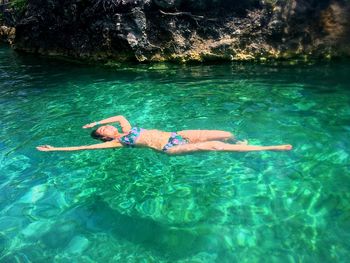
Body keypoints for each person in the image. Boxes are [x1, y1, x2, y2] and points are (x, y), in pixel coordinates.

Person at [36, 115, 292, 154]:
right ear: (105, 138)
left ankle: (240, 143)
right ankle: (268, 148)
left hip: (178, 134)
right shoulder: (119, 141)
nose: (107, 128)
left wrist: (93, 121)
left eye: (105, 127)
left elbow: (119, 115)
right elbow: (84, 149)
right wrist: (57, 149)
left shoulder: (126, 127)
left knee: (224, 133)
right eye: (103, 131)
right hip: (169, 149)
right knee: (214, 145)